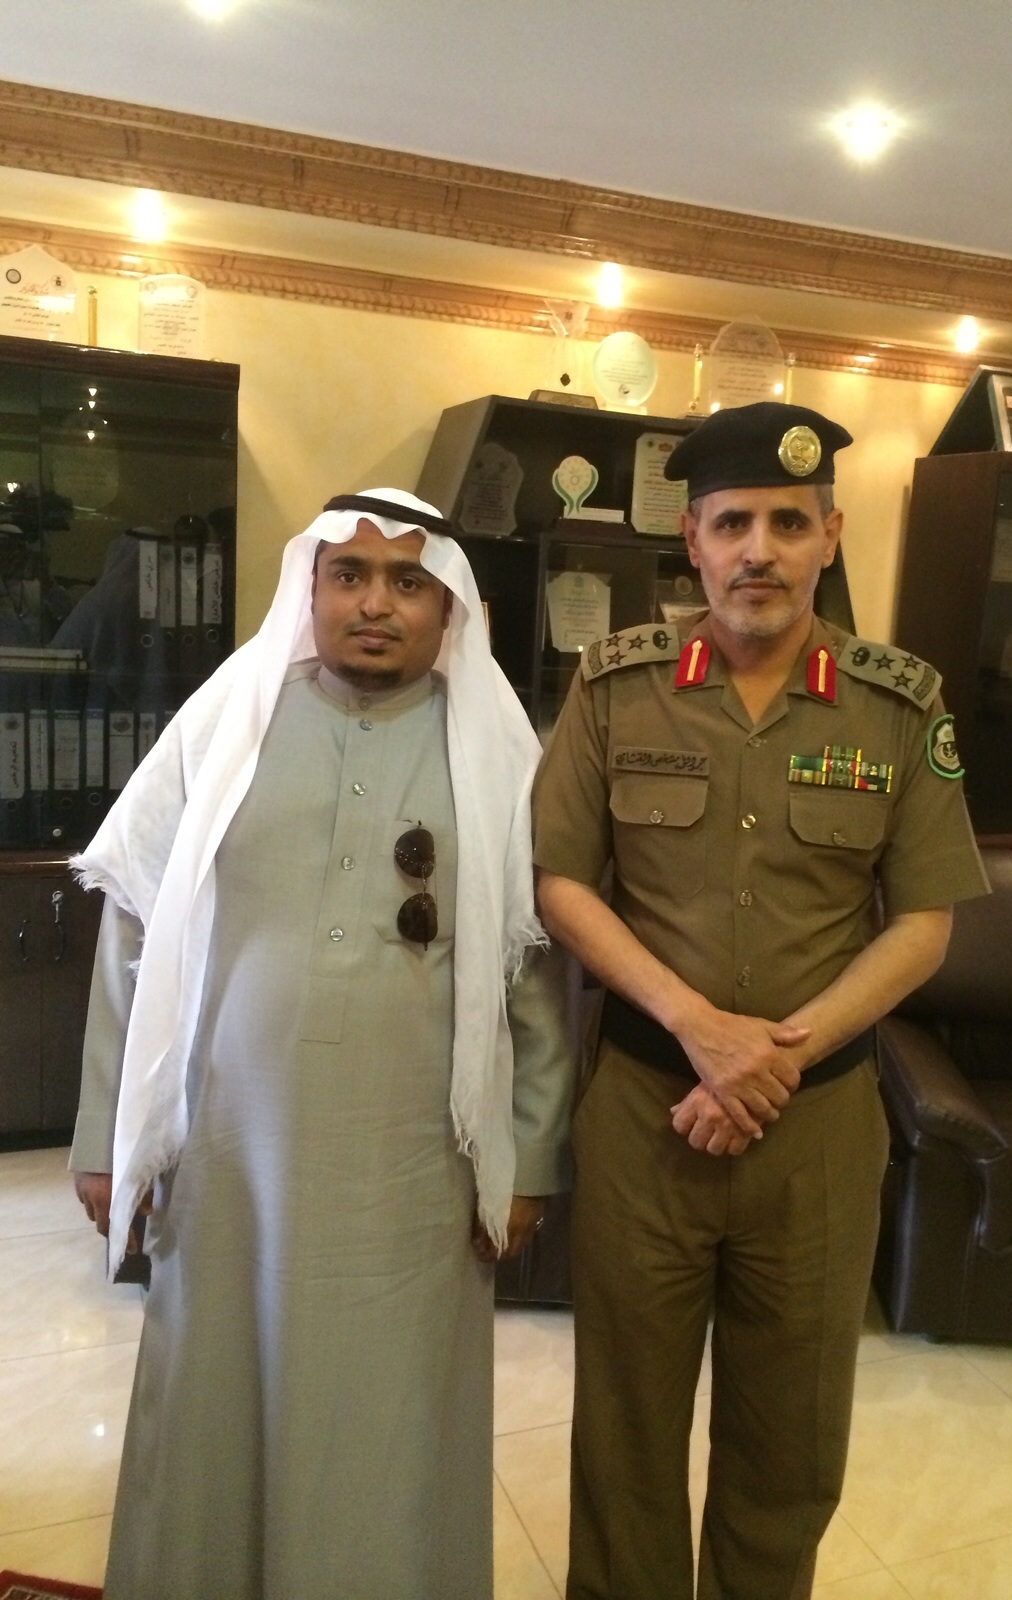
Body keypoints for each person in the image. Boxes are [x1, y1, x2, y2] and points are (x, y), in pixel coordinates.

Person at [69, 488, 574, 1600]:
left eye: (407, 582)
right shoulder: (227, 722)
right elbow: (133, 931)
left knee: (388, 1415)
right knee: (211, 1392)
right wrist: (108, 1134)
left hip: (414, 1170)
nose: (375, 604)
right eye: (349, 575)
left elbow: (533, 973)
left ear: (450, 609)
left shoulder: (501, 758)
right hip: (226, 1153)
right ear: (311, 587)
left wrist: (528, 1159)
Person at [532, 402, 990, 1600]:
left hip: (817, 1134)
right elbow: (560, 884)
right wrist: (697, 1025)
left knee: (789, 1444)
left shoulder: (899, 704)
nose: (760, 551)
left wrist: (771, 1055)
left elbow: (924, 923)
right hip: (647, 1114)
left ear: (830, 536)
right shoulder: (616, 686)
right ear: (691, 537)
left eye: (789, 523)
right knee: (625, 1432)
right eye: (733, 522)